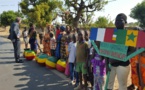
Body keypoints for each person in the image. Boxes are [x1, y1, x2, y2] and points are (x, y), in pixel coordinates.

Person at [107, 13, 134, 90]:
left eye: (120, 21)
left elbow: (132, 51)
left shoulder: (129, 35)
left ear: (125, 22)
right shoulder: (111, 34)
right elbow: (106, 50)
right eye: (116, 21)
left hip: (123, 65)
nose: (117, 23)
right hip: (111, 64)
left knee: (122, 86)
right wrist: (107, 63)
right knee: (109, 85)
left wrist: (119, 57)